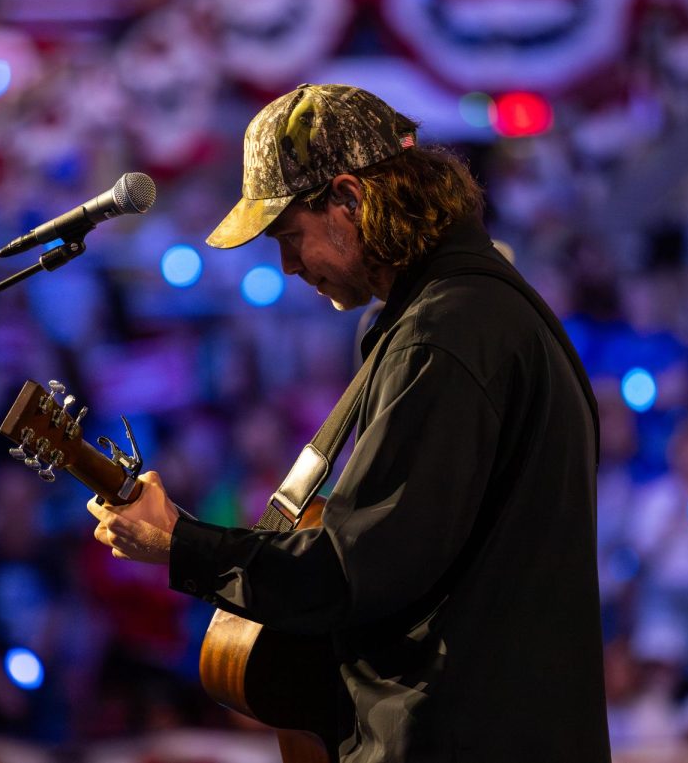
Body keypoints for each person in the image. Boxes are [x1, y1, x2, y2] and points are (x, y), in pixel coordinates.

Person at [87, 83, 610, 762]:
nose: (287, 263)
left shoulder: (444, 334)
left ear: (349, 201)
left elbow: (353, 570)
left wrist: (181, 543)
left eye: (289, 234)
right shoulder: (473, 315)